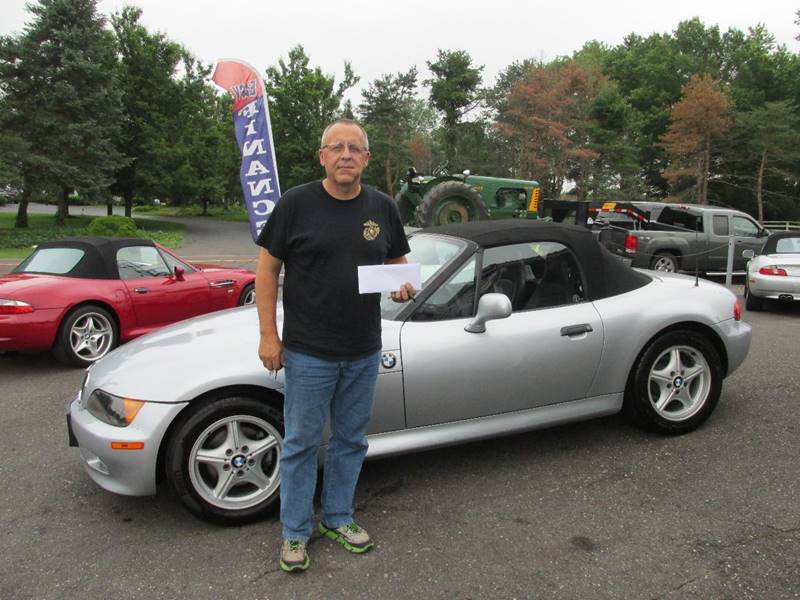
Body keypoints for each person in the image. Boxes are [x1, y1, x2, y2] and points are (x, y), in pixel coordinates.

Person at [254, 119, 414, 573]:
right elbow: (266, 273)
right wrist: (269, 334)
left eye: (355, 148)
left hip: (363, 349)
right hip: (307, 352)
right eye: (336, 147)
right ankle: (295, 532)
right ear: (322, 156)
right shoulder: (296, 205)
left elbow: (399, 265)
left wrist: (404, 286)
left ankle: (339, 518)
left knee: (350, 441)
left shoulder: (382, 208)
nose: (346, 155)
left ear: (366, 158)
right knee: (302, 443)